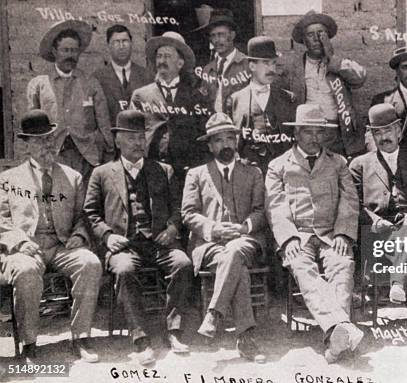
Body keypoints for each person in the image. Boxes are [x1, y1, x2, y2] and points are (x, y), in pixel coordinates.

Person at [83, 110, 193, 365]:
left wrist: (173, 229)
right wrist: (108, 236)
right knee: (123, 269)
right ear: (118, 140)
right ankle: (140, 338)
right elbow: (90, 213)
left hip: (159, 243)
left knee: (183, 263)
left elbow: (178, 207)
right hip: (124, 246)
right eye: (131, 137)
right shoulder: (101, 173)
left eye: (142, 137)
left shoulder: (163, 170)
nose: (138, 143)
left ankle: (173, 331)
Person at [0, 110, 102, 363]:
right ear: (26, 145)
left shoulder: (72, 177)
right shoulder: (8, 179)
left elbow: (82, 217)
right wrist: (21, 242)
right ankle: (29, 344)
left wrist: (79, 235)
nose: (47, 145)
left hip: (61, 245)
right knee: (25, 272)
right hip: (25, 248)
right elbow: (1, 221)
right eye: (39, 140)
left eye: (50, 139)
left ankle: (81, 338)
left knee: (90, 263)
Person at [265, 104, 362, 363]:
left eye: (319, 132)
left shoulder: (338, 163)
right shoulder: (278, 166)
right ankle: (341, 327)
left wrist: (343, 234)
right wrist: (288, 238)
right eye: (307, 132)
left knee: (343, 265)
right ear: (296, 133)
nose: (314, 138)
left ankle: (335, 338)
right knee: (302, 269)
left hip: (331, 234)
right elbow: (276, 205)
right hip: (299, 236)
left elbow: (349, 201)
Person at [349, 103, 407, 327]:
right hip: (379, 234)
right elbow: (353, 204)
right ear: (372, 135)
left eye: (388, 130)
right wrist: (375, 222)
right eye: (378, 132)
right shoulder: (359, 165)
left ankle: (398, 283)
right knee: (406, 246)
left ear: (399, 130)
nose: (384, 137)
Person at [181, 113, 267, 363]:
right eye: (218, 140)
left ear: (237, 142)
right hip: (209, 244)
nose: (225, 145)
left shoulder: (253, 173)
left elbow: (261, 211)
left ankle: (214, 314)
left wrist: (243, 228)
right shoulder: (196, 174)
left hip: (245, 240)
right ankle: (246, 337)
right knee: (233, 261)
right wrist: (214, 229)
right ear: (209, 145)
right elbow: (188, 214)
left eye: (230, 138)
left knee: (235, 251)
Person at [26, 20, 113, 178]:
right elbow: (32, 129)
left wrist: (107, 153)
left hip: (87, 158)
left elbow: (104, 123)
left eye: (74, 50)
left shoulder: (91, 84)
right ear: (54, 51)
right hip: (52, 155)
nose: (70, 55)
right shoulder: (39, 85)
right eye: (65, 50)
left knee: (86, 200)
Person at [278, 10, 367, 158]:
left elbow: (359, 79)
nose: (316, 39)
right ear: (304, 40)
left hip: (338, 133)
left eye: (321, 34)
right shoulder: (294, 69)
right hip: (308, 132)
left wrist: (331, 57)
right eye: (310, 35)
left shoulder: (340, 64)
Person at [130, 31, 211, 185]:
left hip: (186, 173)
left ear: (180, 63)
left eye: (167, 56)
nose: (162, 61)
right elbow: (132, 134)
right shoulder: (141, 96)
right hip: (151, 171)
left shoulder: (195, 97)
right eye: (159, 56)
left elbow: (204, 136)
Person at [229, 36, 296, 173]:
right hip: (247, 173)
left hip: (282, 173)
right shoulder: (235, 100)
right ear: (252, 66)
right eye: (266, 63)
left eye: (273, 63)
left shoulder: (288, 98)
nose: (271, 69)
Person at [93, 24, 153, 124]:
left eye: (125, 41)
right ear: (108, 46)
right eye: (116, 42)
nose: (121, 46)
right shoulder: (98, 78)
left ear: (131, 43)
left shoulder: (147, 76)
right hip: (110, 136)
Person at [195, 8, 250, 114]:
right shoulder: (207, 70)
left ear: (232, 35)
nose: (216, 40)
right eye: (213, 36)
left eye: (221, 35)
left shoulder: (246, 65)